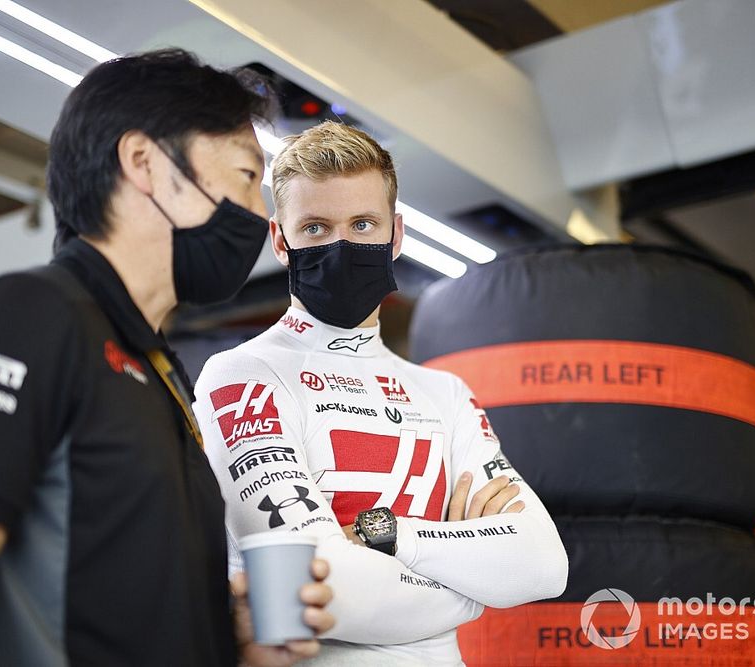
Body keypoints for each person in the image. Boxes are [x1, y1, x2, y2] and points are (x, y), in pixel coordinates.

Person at [0, 49, 333, 667]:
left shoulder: (161, 374)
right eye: (248, 177)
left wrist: (239, 646)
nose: (260, 213)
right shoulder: (27, 318)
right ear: (144, 163)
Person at [193, 121, 568, 666]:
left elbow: (541, 564)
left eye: (363, 224)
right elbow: (315, 591)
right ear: (281, 240)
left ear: (395, 234)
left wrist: (389, 536)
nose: (342, 245)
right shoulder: (241, 377)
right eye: (316, 228)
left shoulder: (446, 394)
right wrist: (475, 586)